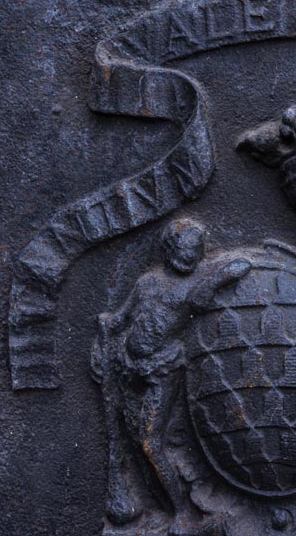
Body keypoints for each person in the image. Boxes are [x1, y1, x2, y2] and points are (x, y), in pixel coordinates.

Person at [92, 219, 250, 533]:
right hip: (129, 366)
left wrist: (221, 276)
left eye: (194, 252)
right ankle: (154, 505)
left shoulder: (195, 287)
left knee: (151, 443)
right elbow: (121, 318)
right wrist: (104, 330)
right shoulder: (148, 282)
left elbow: (239, 266)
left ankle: (182, 511)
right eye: (182, 250)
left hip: (164, 368)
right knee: (133, 438)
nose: (188, 257)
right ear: (169, 250)